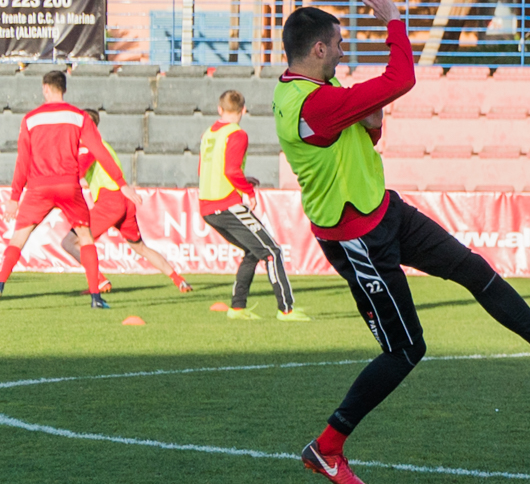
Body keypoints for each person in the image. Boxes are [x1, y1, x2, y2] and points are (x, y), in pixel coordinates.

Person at [273, 0, 530, 484]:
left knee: (474, 269)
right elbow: (402, 78)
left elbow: (365, 132)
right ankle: (327, 447)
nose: (344, 51)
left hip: (384, 211)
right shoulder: (312, 103)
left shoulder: (316, 93)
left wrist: (371, 120)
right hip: (358, 239)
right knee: (405, 350)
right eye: (340, 44)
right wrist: (393, 19)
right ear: (319, 48)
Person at [0, 70, 141, 308]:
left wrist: (15, 197)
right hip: (68, 186)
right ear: (64, 89)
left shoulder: (30, 119)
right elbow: (100, 151)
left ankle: (1, 285)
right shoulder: (79, 117)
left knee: (18, 239)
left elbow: (22, 161)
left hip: (38, 187)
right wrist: (122, 184)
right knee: (85, 238)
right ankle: (96, 297)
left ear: (45, 88)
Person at [199, 90, 308, 321]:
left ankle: (237, 307)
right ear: (244, 110)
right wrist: (248, 192)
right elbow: (231, 170)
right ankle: (286, 309)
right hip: (226, 203)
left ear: (220, 109)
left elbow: (207, 169)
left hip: (207, 206)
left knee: (253, 251)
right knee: (272, 251)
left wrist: (243, 179)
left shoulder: (208, 134)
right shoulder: (237, 134)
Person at [59, 109, 192, 294]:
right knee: (140, 247)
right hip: (124, 200)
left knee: (70, 242)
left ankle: (99, 281)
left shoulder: (88, 145)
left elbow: (78, 173)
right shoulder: (103, 144)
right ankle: (179, 280)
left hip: (110, 201)